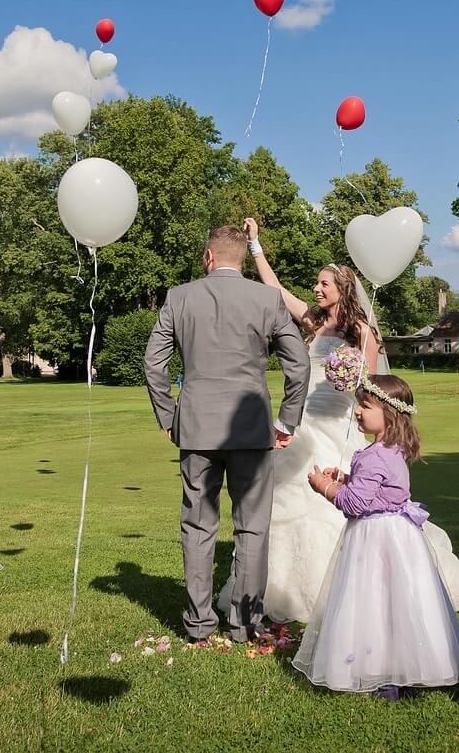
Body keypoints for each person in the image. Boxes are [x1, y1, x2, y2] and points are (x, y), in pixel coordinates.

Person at [238, 217, 459, 622]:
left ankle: (347, 587)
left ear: (343, 290)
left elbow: (371, 388)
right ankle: (281, 591)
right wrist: (255, 246)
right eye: (317, 284)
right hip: (306, 422)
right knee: (285, 498)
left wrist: (350, 378)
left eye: (325, 284)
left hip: (339, 423)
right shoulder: (315, 322)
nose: (317, 289)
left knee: (332, 501)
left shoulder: (361, 331)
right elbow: (275, 289)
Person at [143, 225, 310, 643]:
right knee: (252, 527)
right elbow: (300, 364)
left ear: (208, 257)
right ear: (239, 258)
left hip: (196, 428)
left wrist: (168, 416)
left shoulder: (179, 297)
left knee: (197, 526)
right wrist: (286, 422)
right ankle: (245, 624)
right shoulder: (267, 298)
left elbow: (153, 363)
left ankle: (199, 624)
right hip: (253, 431)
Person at [291, 374, 459, 700]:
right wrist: (346, 477)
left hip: (375, 539)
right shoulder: (393, 449)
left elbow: (356, 503)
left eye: (365, 405)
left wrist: (325, 487)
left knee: (373, 599)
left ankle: (381, 673)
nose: (357, 411)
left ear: (389, 413)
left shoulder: (375, 455)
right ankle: (399, 666)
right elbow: (378, 490)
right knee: (395, 602)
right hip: (399, 537)